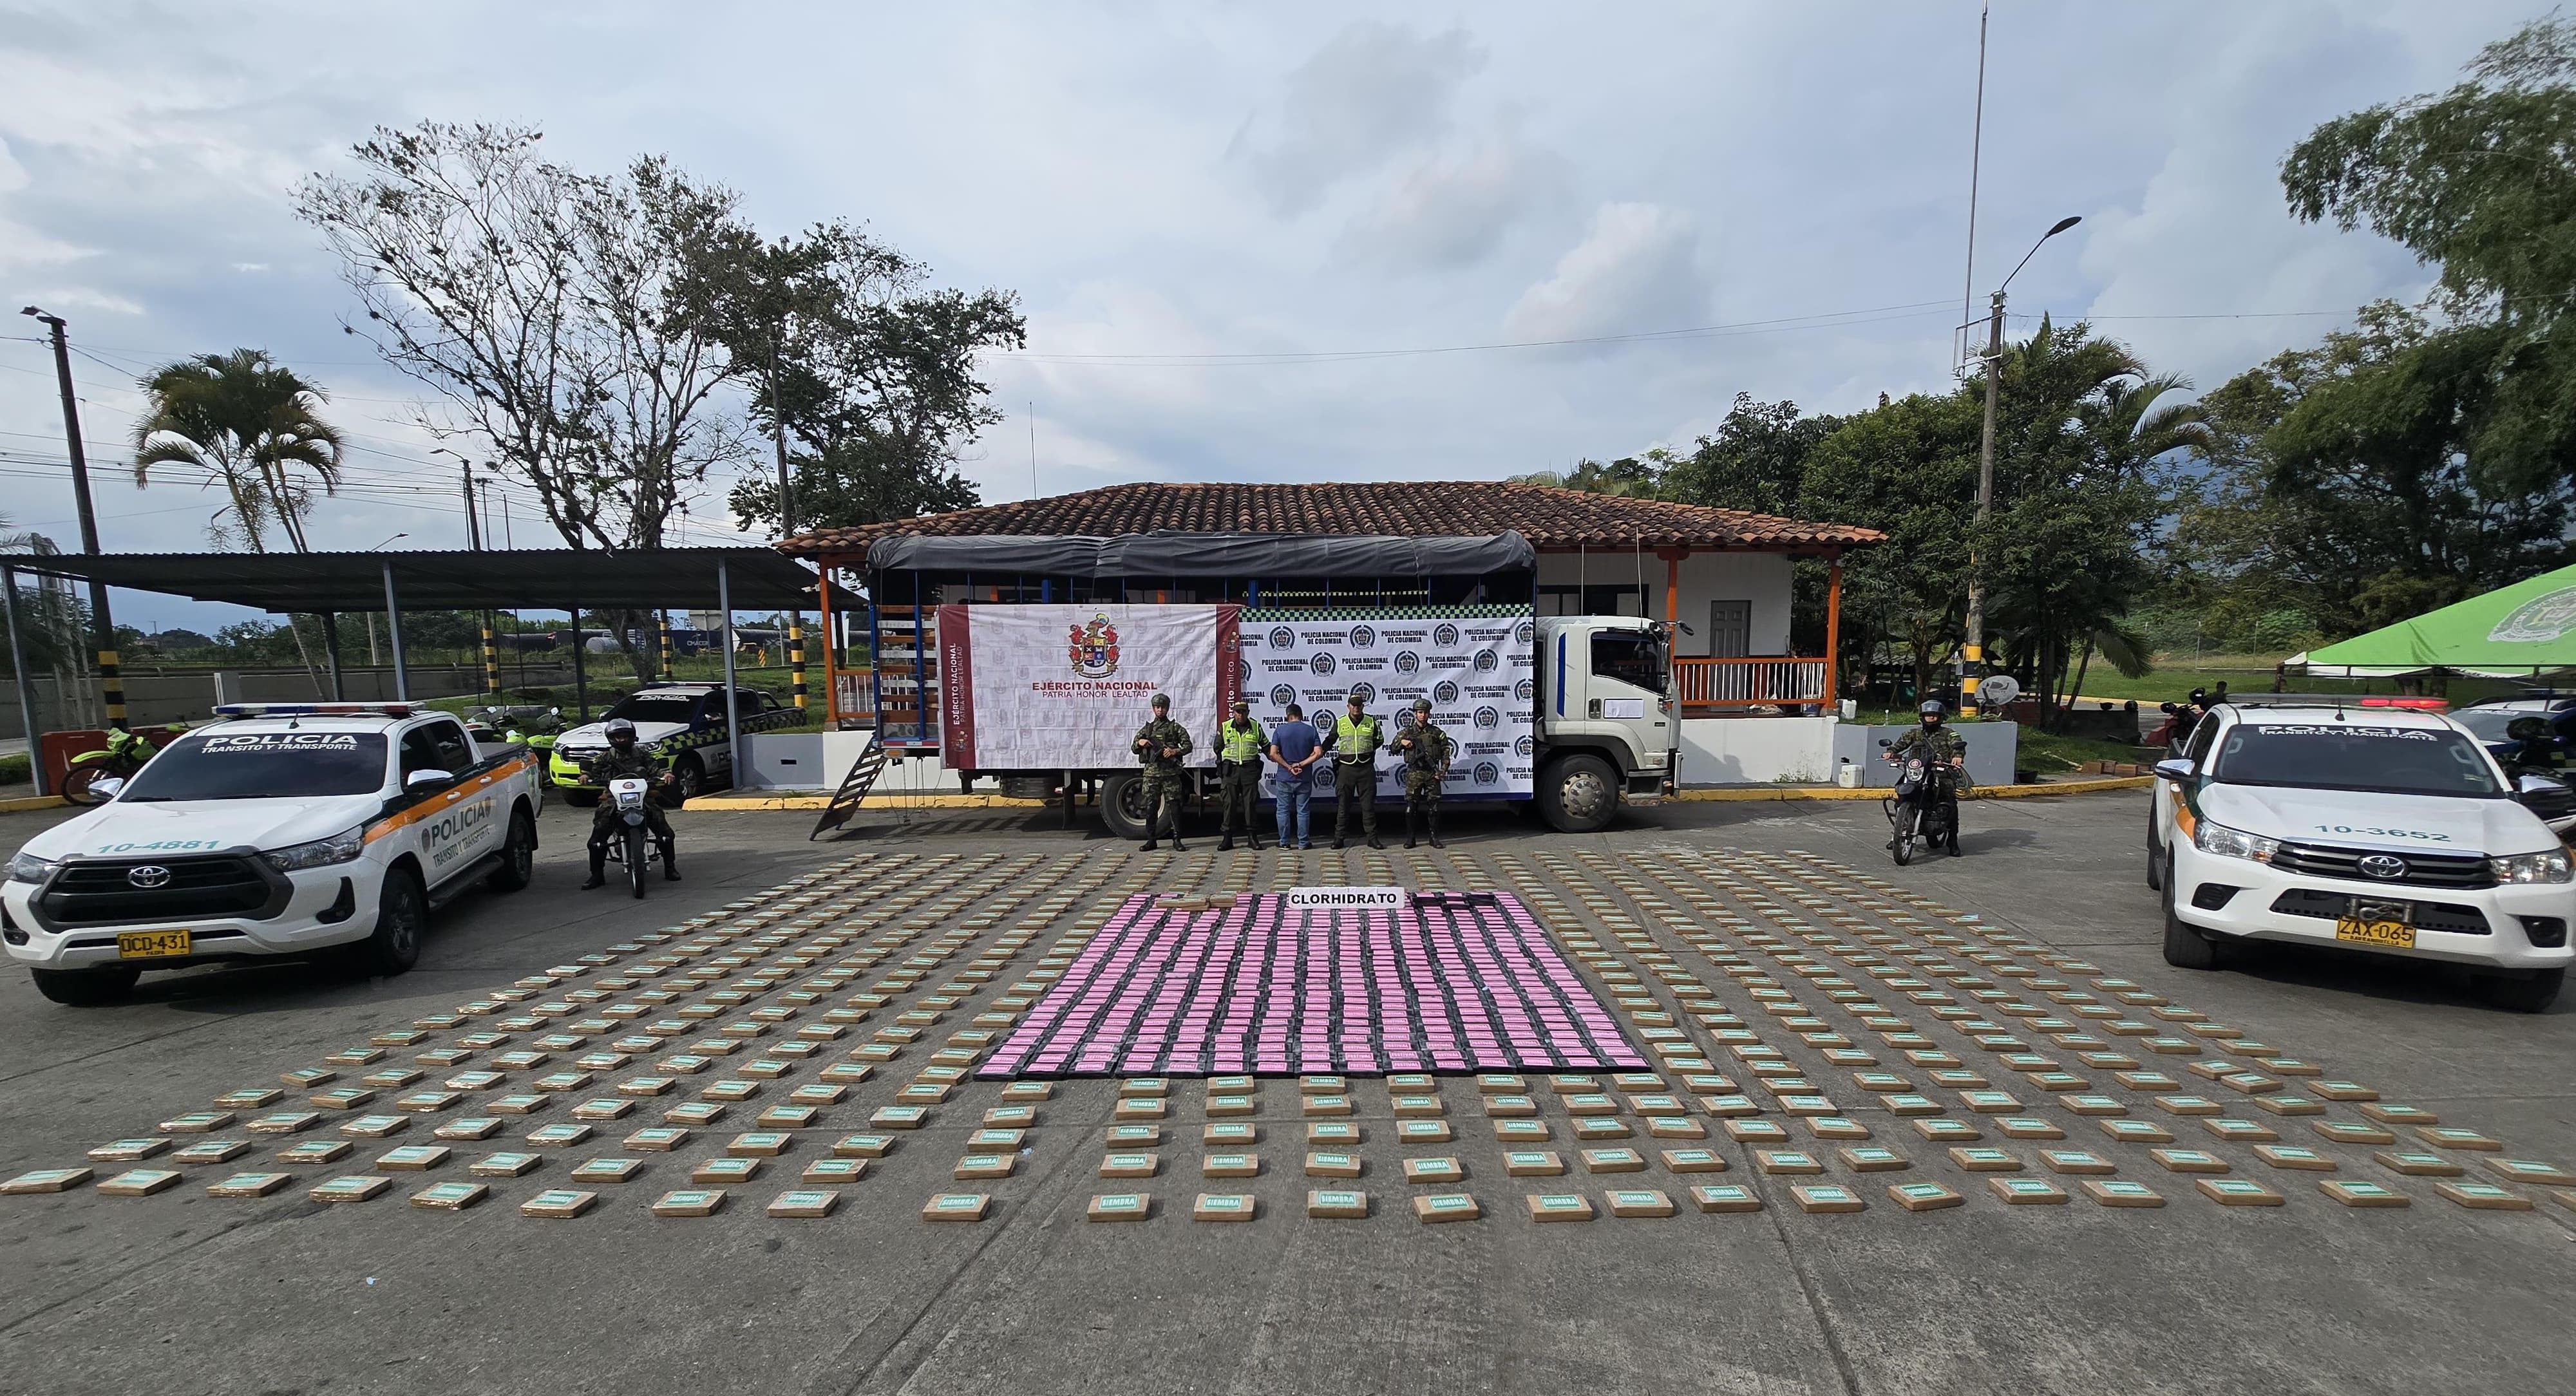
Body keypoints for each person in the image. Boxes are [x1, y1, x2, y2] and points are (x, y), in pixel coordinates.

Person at [580, 717, 678, 887]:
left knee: (665, 832)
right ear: (611, 738)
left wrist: (666, 774)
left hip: (643, 796)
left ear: (632, 737)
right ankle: (596, 875)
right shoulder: (605, 757)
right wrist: (585, 776)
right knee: (597, 838)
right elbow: (591, 771)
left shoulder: (642, 753)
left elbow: (656, 767)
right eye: (618, 736)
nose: (622, 739)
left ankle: (670, 868)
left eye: (625, 736)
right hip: (613, 798)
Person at [1883, 699, 1966, 849]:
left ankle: (1953, 841)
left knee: (1949, 800)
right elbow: (1900, 744)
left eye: (1934, 715)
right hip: (1917, 772)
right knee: (1902, 794)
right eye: (1928, 715)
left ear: (1941, 717)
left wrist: (1957, 756)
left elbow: (1957, 745)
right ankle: (1897, 834)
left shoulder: (1949, 733)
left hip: (1940, 772)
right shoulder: (1914, 733)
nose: (1931, 718)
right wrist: (1890, 752)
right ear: (1922, 717)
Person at [1320, 688, 1385, 849]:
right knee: (1343, 807)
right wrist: (1320, 751)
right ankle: (1339, 839)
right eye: (1353, 705)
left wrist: (1367, 751)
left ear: (1363, 706)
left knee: (1368, 807)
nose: (1356, 708)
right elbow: (1330, 740)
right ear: (1348, 706)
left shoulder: (1371, 721)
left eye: (1359, 705)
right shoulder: (1341, 722)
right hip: (1346, 769)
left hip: (1365, 768)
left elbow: (1379, 740)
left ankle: (1372, 838)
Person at [1130, 693, 1193, 851]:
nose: (1160, 710)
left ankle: (1177, 840)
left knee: (1175, 807)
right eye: (1157, 707)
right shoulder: (1148, 728)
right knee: (1151, 807)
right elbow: (1133, 748)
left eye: (1163, 707)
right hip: (1152, 775)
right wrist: (1140, 742)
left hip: (1170, 774)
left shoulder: (1175, 728)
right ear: (1153, 709)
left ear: (1167, 708)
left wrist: (1174, 751)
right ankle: (1151, 840)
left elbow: (1188, 746)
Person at [1392, 696, 1453, 849]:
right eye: (1420, 712)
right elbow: (1393, 748)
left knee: (1434, 807)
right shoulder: (1407, 732)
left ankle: (1434, 838)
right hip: (1415, 773)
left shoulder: (1436, 732)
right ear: (1415, 714)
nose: (1422, 715)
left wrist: (1443, 770)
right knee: (1411, 807)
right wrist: (1402, 743)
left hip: (1432, 773)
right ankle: (1410, 838)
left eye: (1425, 712)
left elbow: (1446, 751)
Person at [1216, 698, 1267, 851]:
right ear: (1234, 713)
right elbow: (1217, 747)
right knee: (1229, 804)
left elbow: (1266, 745)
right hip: (1230, 771)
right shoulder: (1225, 727)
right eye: (1238, 712)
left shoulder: (1256, 726)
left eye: (1243, 712)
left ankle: (1252, 838)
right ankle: (1227, 838)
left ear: (1248, 713)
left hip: (1249, 770)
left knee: (1250, 805)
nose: (1240, 715)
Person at [1267, 703, 1321, 850]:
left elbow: (1273, 754)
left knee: (1283, 810)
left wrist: (1289, 766)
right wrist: (1301, 764)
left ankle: (1284, 842)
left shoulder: (1280, 730)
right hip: (1304, 777)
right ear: (1301, 716)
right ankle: (1303, 843)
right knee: (1303, 810)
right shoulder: (1311, 730)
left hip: (1285, 776)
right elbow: (1318, 753)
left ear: (1287, 716)